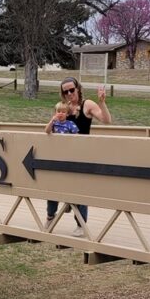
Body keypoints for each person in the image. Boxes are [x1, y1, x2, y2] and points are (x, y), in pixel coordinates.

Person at [45, 77, 113, 237]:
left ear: (78, 88)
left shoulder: (87, 104)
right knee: (53, 184)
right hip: (61, 155)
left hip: (81, 155)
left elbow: (106, 121)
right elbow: (52, 128)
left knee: (80, 189)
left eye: (72, 90)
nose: (69, 94)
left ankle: (80, 224)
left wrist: (102, 102)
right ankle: (50, 216)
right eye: (65, 91)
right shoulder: (63, 108)